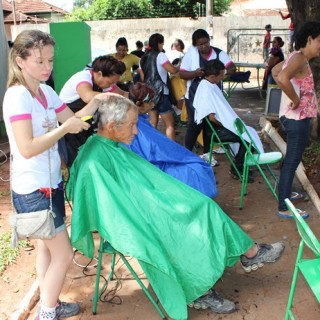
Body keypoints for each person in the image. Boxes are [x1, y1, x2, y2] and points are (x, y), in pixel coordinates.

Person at [66, 94, 285, 319]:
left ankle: (248, 253)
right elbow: (110, 212)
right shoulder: (94, 160)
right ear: (112, 125)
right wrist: (159, 210)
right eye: (132, 125)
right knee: (178, 229)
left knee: (202, 206)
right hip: (131, 222)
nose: (136, 131)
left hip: (146, 207)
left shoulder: (111, 145)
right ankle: (199, 291)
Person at [3, 29, 109, 320]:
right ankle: (47, 313)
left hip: (51, 184)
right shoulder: (17, 97)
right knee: (62, 254)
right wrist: (64, 129)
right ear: (20, 61)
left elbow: (74, 117)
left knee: (47, 251)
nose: (48, 68)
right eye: (40, 61)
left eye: (50, 61)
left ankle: (51, 301)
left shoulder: (46, 91)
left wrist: (100, 101)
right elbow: (26, 148)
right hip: (33, 190)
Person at [127, 82, 217, 198]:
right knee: (196, 169)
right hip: (151, 166)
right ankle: (197, 202)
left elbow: (156, 147)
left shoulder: (137, 120)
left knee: (195, 164)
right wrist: (180, 155)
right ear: (140, 104)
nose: (154, 104)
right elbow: (154, 149)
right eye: (151, 102)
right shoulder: (136, 124)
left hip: (151, 160)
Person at [272, 21, 320, 219]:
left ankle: (284, 194)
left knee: (291, 159)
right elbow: (282, 77)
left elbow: (276, 72)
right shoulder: (299, 58)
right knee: (292, 160)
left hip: (291, 117)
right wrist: (295, 98)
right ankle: (284, 206)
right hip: (297, 119)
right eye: (319, 41)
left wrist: (292, 94)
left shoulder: (295, 57)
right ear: (309, 39)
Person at [193, 59, 264, 182]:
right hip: (215, 131)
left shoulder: (210, 84)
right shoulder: (205, 89)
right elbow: (212, 118)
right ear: (212, 76)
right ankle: (237, 169)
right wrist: (228, 125)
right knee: (246, 139)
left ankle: (242, 165)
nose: (223, 76)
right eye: (221, 75)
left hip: (219, 127)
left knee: (249, 131)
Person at [59, 55, 127, 167]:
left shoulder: (103, 82)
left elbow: (123, 94)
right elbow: (87, 96)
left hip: (85, 123)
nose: (111, 86)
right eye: (110, 82)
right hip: (68, 125)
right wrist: (113, 97)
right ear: (99, 74)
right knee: (76, 161)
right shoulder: (83, 77)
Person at [179, 28, 236, 159]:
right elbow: (182, 74)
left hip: (212, 96)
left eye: (206, 43)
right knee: (195, 124)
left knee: (209, 126)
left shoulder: (218, 54)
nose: (204, 46)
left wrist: (222, 74)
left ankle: (207, 154)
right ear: (195, 45)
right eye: (200, 44)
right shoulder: (191, 55)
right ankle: (187, 152)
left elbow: (232, 67)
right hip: (194, 95)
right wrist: (194, 73)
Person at [140, 33, 179, 140]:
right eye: (162, 44)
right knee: (169, 125)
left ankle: (152, 149)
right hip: (162, 94)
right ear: (159, 43)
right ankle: (173, 150)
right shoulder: (160, 55)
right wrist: (179, 66)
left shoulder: (143, 58)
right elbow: (172, 70)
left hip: (149, 95)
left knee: (152, 124)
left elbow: (143, 78)